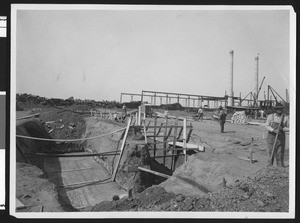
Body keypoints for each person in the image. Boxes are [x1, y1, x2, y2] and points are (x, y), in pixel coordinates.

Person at [265, 103, 289, 167]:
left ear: (282, 109)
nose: (279, 110)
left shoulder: (285, 117)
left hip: (281, 138)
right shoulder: (271, 116)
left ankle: (280, 168)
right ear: (275, 109)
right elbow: (267, 126)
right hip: (271, 138)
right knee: (270, 153)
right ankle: (269, 167)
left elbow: (290, 128)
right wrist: (273, 130)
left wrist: (282, 129)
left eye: (280, 108)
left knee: (280, 153)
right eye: (277, 108)